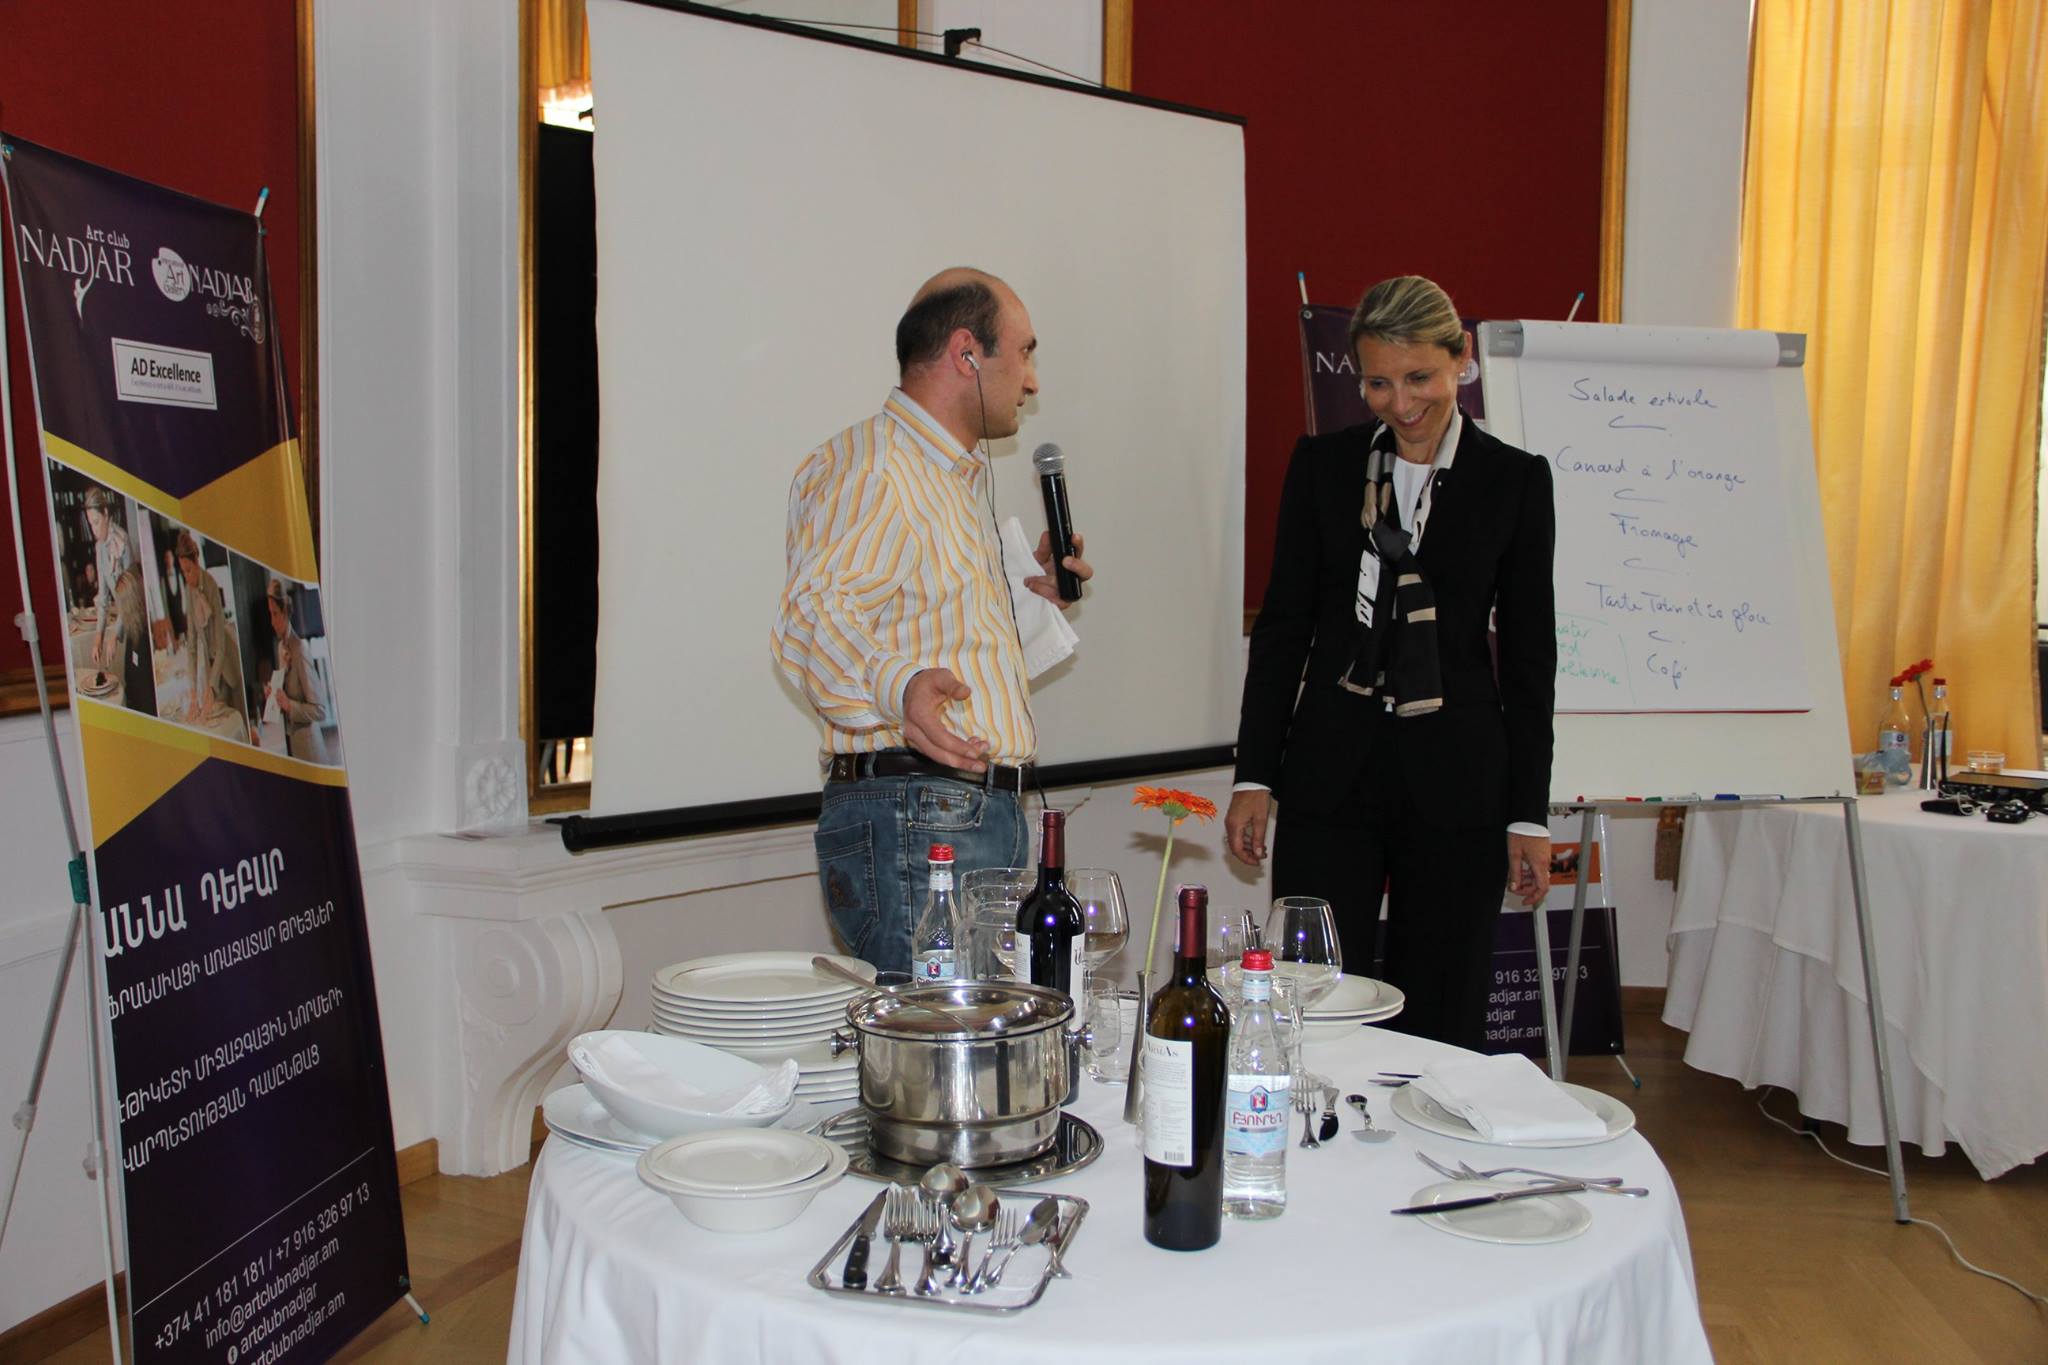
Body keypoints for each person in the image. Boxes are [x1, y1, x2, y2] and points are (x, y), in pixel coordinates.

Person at [1225, 275, 1555, 1050]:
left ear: (1461, 360)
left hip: (1460, 785)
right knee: (1311, 1005)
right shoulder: (1322, 467)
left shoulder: (1514, 480)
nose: (1400, 402)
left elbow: (1529, 658)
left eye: (1419, 377)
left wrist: (1528, 813)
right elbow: (1284, 631)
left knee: (1441, 1016)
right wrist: (1254, 775)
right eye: (1378, 382)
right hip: (1329, 777)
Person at [772, 267, 1092, 973]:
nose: (1032, 380)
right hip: (920, 814)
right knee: (934, 1040)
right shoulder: (877, 466)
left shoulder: (948, 478)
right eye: (1025, 352)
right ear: (966, 352)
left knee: (965, 1040)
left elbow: (939, 645)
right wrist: (902, 686)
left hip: (960, 813)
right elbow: (814, 615)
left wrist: (1032, 600)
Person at [173, 530, 248, 729]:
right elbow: (192, 647)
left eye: (189, 570)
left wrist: (211, 686)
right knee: (216, 722)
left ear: (196, 562)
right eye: (183, 572)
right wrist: (193, 691)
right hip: (211, 666)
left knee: (237, 719)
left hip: (227, 662)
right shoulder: (189, 591)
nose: (187, 577)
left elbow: (221, 647)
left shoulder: (211, 585)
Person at [264, 578, 329, 761]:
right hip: (293, 746)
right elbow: (286, 696)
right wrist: (274, 696)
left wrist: (289, 705)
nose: (272, 621)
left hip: (311, 751)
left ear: (285, 612)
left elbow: (320, 710)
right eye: (270, 614)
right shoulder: (281, 648)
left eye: (275, 614)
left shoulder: (300, 648)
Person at [81, 486, 131, 669]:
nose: (94, 530)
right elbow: (103, 599)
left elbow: (130, 598)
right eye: (90, 524)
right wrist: (98, 638)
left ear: (106, 514)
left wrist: (115, 634)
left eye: (96, 522)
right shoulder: (99, 548)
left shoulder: (122, 541)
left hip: (135, 619)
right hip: (123, 620)